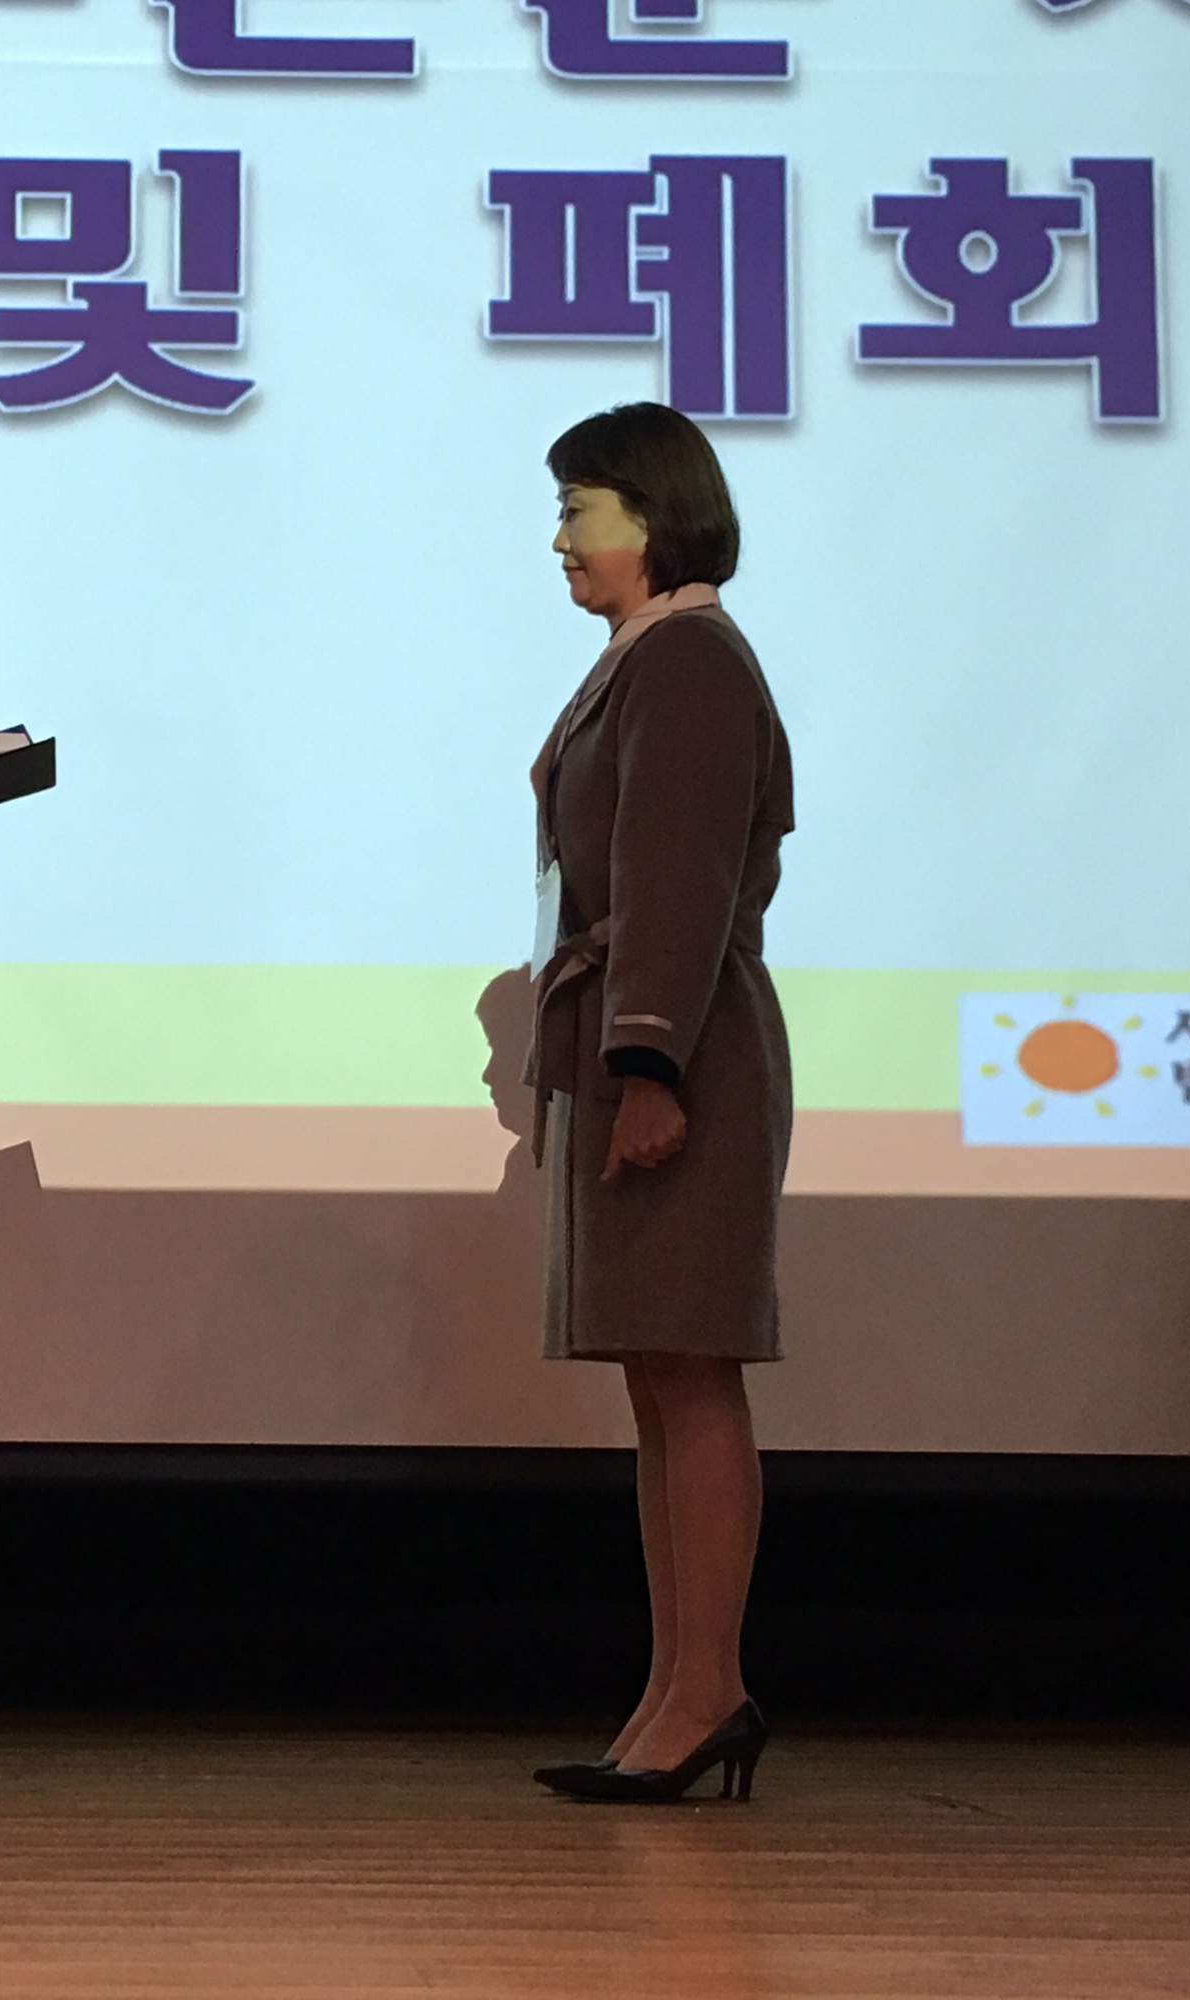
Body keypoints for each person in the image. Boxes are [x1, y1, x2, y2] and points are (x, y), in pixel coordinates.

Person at [520, 403, 793, 1806]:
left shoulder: (687, 658)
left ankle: (707, 1691)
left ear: (656, 514)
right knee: (659, 1379)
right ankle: (676, 1689)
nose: (560, 538)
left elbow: (677, 878)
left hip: (682, 1049)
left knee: (690, 1370)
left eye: (581, 509)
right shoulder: (645, 655)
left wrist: (646, 1065)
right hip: (647, 1040)